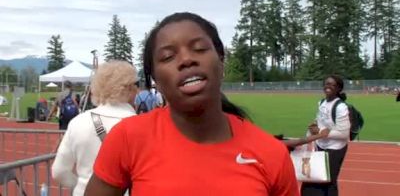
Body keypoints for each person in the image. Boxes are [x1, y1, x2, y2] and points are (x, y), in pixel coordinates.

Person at [84, 12, 299, 196]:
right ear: (155, 80)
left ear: (221, 62)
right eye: (168, 57)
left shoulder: (271, 154)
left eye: (199, 49)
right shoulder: (128, 138)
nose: (186, 60)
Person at [52, 61, 138, 196]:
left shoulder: (78, 122)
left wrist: (81, 186)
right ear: (129, 89)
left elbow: (59, 171)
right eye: (135, 85)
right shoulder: (140, 125)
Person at [301, 75, 350, 196]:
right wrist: (312, 129)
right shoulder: (321, 102)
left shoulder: (341, 107)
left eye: (332, 85)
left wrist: (320, 131)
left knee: (330, 181)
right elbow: (319, 121)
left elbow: (344, 134)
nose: (328, 87)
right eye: (327, 84)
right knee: (318, 179)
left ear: (338, 89)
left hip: (335, 149)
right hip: (320, 146)